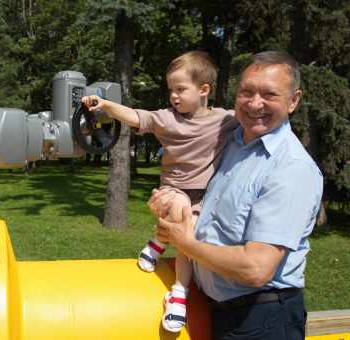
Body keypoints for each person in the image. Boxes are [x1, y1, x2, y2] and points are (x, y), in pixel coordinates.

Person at [152, 51, 323, 339]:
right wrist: (174, 212)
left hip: (261, 320)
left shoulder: (290, 167)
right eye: (247, 92)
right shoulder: (232, 143)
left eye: (269, 94)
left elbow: (256, 268)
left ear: (293, 101)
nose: (255, 104)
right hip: (218, 311)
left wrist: (186, 243)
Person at [82, 50, 238, 333]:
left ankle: (157, 242)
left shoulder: (225, 120)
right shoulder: (166, 119)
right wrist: (105, 104)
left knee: (191, 233)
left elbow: (254, 118)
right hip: (172, 190)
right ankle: (178, 294)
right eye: (171, 90)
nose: (174, 96)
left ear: (204, 90)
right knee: (184, 222)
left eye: (180, 89)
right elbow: (134, 116)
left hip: (204, 196)